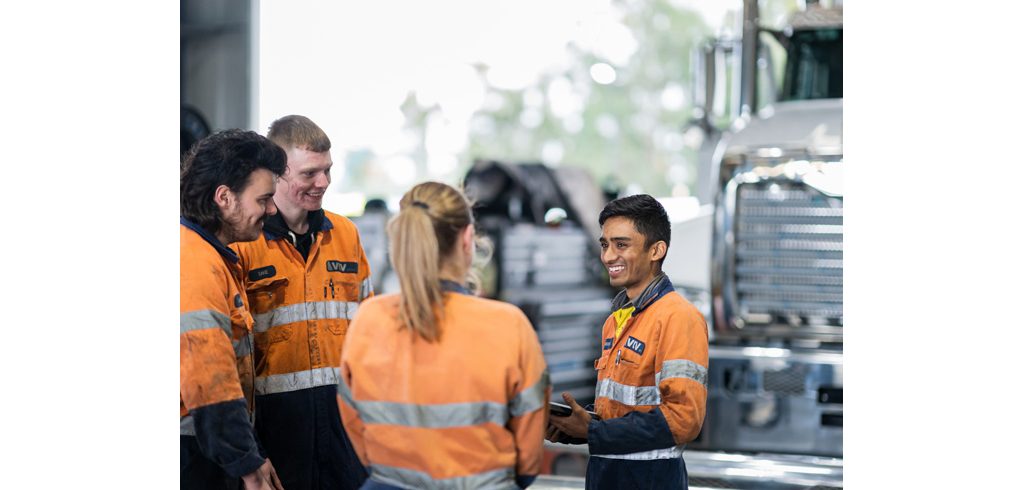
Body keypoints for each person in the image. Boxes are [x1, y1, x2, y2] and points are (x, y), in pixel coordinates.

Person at [336, 182, 550, 489]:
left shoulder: (369, 319)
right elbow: (529, 444)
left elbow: (353, 423)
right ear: (467, 239)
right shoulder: (507, 324)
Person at [231, 115, 372, 490]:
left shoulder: (345, 235)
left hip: (346, 430)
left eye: (327, 170)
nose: (322, 183)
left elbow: (371, 332)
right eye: (309, 174)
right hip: (275, 431)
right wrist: (247, 450)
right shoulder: (245, 244)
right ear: (277, 173)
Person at [546, 194, 709, 490]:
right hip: (606, 476)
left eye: (621, 245)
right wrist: (577, 426)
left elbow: (684, 419)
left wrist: (596, 432)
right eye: (605, 245)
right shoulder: (617, 321)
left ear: (656, 250)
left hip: (651, 480)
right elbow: (620, 411)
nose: (608, 256)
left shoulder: (679, 318)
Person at [180, 129, 288, 490]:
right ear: (224, 198)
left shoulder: (216, 257)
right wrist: (246, 462)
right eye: (264, 199)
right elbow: (210, 377)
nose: (272, 210)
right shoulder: (195, 263)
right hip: (194, 456)